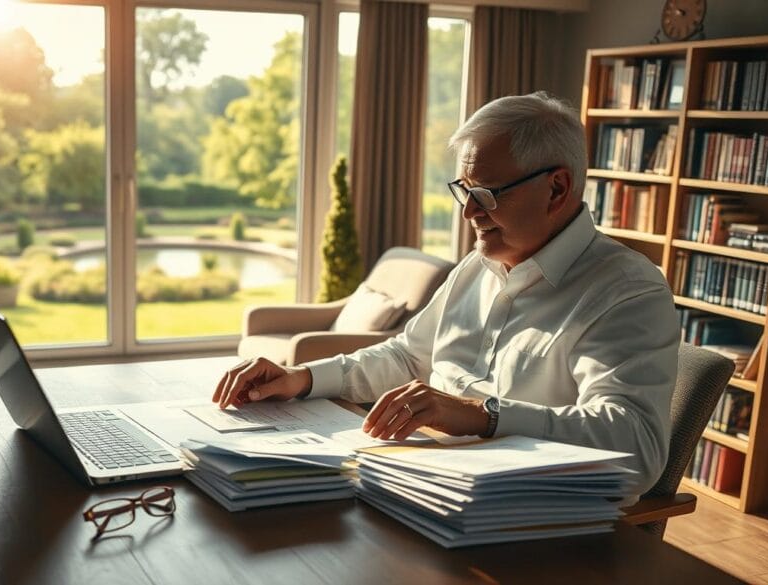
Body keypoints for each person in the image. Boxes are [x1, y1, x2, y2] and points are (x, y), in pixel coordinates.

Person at [212, 91, 679, 497]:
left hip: (529, 525)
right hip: (422, 482)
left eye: (488, 194)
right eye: (464, 190)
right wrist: (301, 379)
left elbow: (637, 448)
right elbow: (406, 358)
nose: (469, 212)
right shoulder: (477, 266)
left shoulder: (628, 291)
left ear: (557, 188)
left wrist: (483, 416)